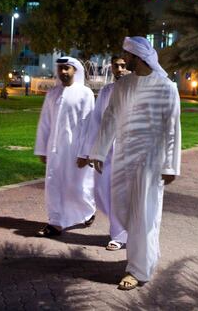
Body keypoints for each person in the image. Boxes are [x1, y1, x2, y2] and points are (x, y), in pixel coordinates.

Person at [90, 36, 181, 290]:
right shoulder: (123, 86)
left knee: (144, 214)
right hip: (123, 158)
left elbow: (172, 130)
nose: (123, 60)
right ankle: (147, 254)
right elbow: (110, 118)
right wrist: (98, 152)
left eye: (126, 55)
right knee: (124, 211)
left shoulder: (166, 87)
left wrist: (170, 166)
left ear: (137, 57)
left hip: (150, 161)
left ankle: (137, 270)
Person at [34, 56, 96, 237]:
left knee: (77, 188)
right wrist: (41, 149)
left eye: (66, 68)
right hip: (55, 149)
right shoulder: (52, 93)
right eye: (60, 68)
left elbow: (89, 125)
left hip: (76, 150)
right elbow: (44, 123)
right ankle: (55, 222)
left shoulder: (85, 93)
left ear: (75, 70)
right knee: (53, 184)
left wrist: (85, 152)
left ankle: (88, 210)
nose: (63, 72)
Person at [77, 55, 129, 251]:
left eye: (123, 65)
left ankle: (119, 234)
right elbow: (96, 121)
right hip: (107, 149)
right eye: (116, 66)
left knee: (122, 193)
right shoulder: (107, 91)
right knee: (102, 191)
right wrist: (89, 151)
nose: (120, 69)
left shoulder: (137, 89)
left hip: (128, 149)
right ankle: (123, 229)